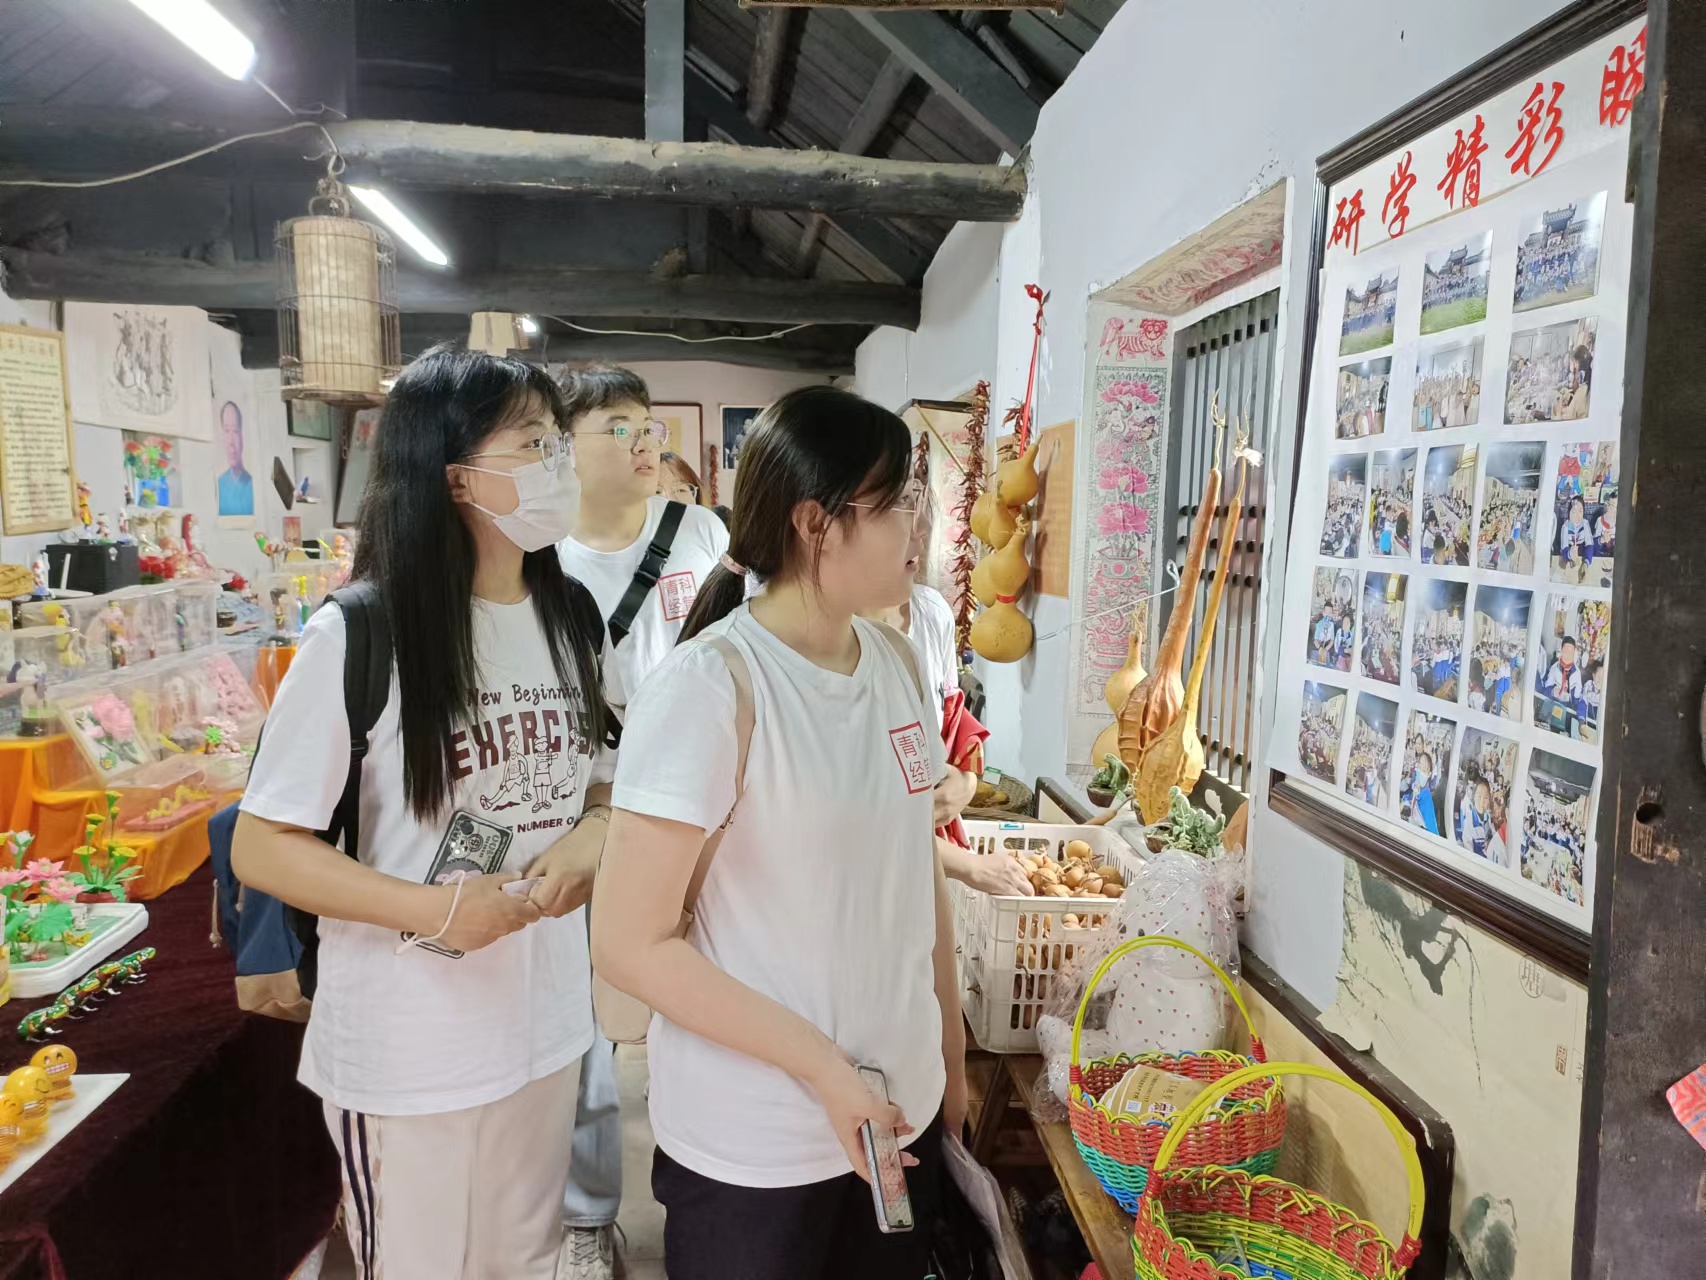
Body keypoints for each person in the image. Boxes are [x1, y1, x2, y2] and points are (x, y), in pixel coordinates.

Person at [232, 347, 614, 1279]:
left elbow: (603, 781)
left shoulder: (571, 615)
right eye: (533, 443)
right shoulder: (360, 633)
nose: (558, 465)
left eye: (558, 442)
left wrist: (594, 839)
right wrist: (437, 911)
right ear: (454, 476)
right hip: (409, 1049)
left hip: (545, 1024)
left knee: (525, 1260)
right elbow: (264, 845)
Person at [592, 386, 962, 1279]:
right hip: (755, 1148)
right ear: (815, 523)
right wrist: (827, 1072)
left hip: (896, 1122)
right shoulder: (712, 686)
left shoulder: (896, 661)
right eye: (897, 502)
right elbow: (629, 944)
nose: (918, 525)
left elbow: (915, 873)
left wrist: (947, 1064)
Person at [553, 366, 729, 1279]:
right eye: (617, 425)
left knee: (703, 991)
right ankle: (589, 1216)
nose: (643, 441)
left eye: (647, 425)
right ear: (567, 448)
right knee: (586, 1012)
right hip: (593, 807)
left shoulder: (700, 533)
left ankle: (708, 1184)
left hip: (702, 803)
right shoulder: (542, 558)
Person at [216, 400, 254, 517]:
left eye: (236, 431)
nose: (231, 442)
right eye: (227, 431)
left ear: (242, 436)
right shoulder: (219, 484)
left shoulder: (252, 484)